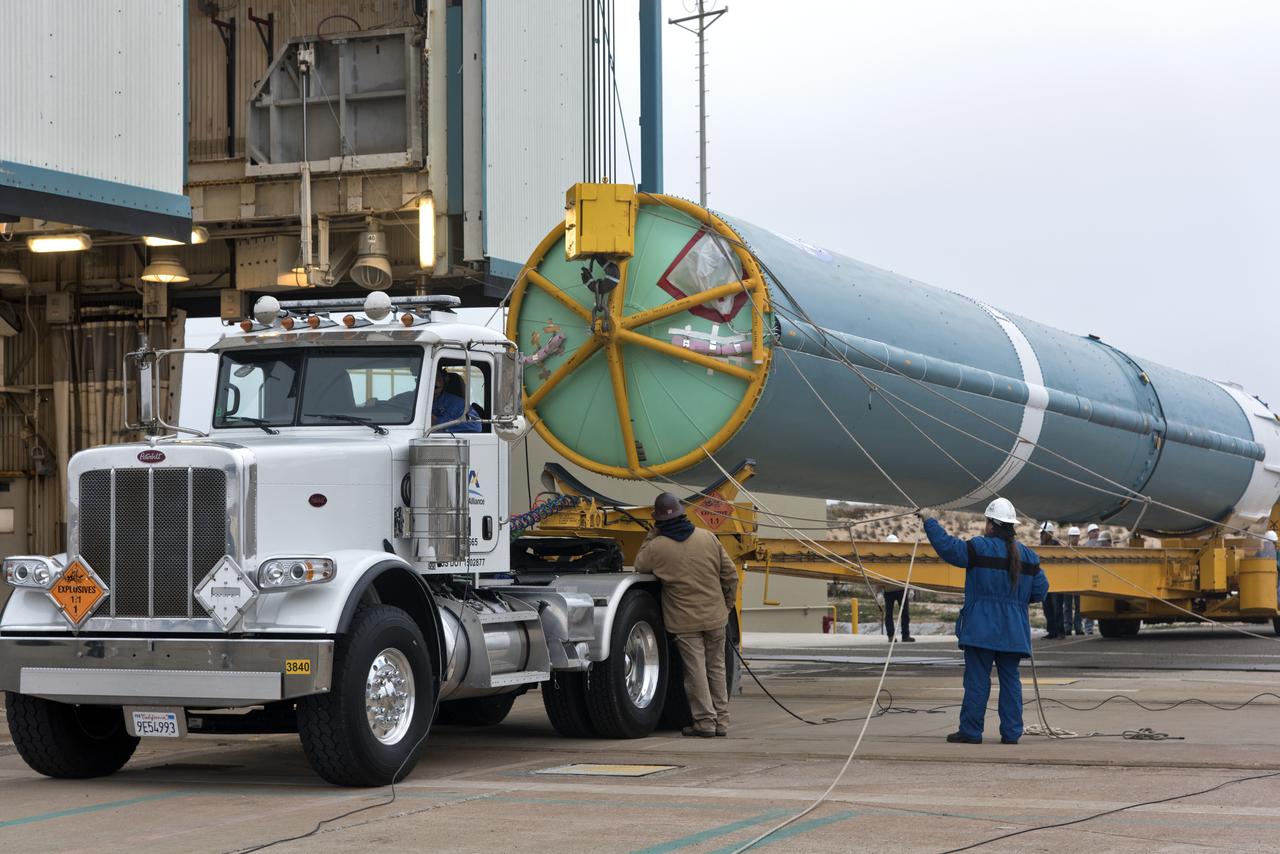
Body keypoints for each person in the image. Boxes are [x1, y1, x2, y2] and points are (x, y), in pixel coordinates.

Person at [920, 498, 1048, 745]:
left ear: (990, 524)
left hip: (980, 628)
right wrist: (1017, 602)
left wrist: (930, 521)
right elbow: (1040, 591)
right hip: (1014, 631)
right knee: (1011, 680)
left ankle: (971, 731)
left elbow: (949, 548)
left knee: (978, 680)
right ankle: (1012, 733)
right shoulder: (1030, 557)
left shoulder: (978, 548)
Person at [634, 492, 739, 738]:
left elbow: (640, 564)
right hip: (716, 616)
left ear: (658, 520)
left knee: (696, 672)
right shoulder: (707, 538)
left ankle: (704, 723)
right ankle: (721, 721)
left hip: (684, 622)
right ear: (683, 513)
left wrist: (652, 533)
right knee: (717, 668)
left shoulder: (657, 547)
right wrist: (727, 605)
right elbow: (730, 575)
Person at [880, 535, 913, 642]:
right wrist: (879, 592)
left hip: (901, 589)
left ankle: (905, 635)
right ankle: (891, 636)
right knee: (889, 615)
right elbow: (878, 576)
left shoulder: (902, 557)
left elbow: (908, 572)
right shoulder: (883, 559)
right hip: (889, 590)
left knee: (905, 614)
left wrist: (911, 588)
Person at [1038, 523, 1064, 639]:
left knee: (1057, 607)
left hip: (1057, 583)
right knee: (1047, 608)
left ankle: (1060, 631)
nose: (1041, 535)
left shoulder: (1057, 547)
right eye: (1041, 533)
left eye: (1043, 533)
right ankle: (1052, 631)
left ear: (1050, 534)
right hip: (1045, 582)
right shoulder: (1041, 547)